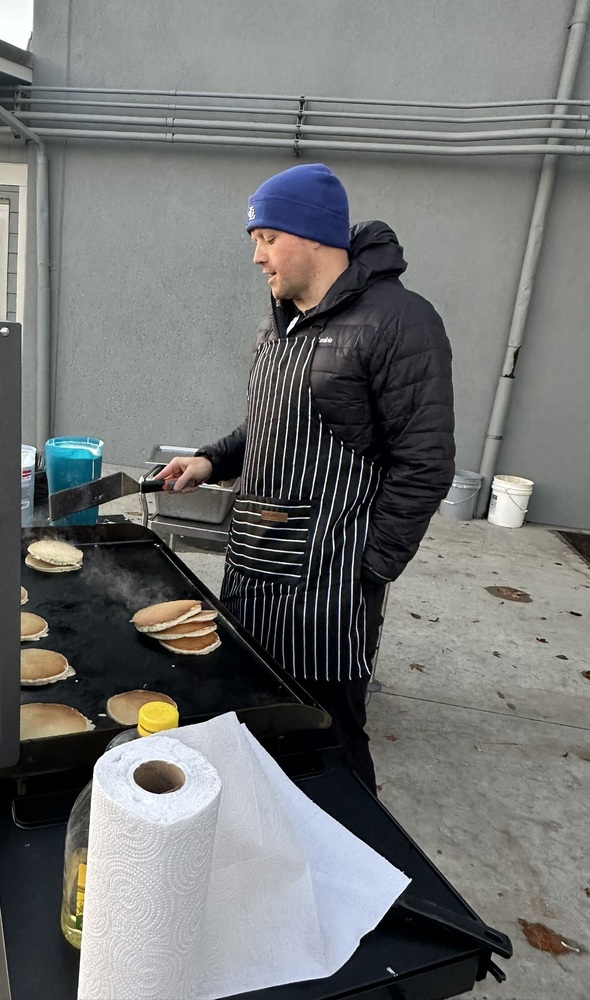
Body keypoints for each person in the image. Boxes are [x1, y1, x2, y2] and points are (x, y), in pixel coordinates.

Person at [157, 163, 455, 791]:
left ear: (312, 234)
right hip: (254, 569)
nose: (258, 258)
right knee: (258, 720)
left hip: (330, 592)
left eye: (266, 239)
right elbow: (272, 425)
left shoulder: (400, 321)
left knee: (331, 742)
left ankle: (370, 870)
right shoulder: (283, 318)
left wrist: (369, 568)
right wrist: (210, 458)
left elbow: (425, 463)